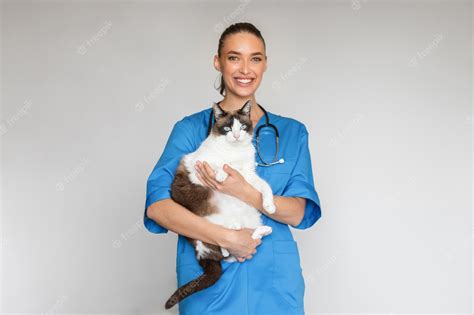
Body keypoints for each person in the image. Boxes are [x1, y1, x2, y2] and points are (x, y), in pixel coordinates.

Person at [144, 22, 322, 315]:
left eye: (255, 58)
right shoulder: (190, 129)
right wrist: (225, 238)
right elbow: (158, 208)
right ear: (218, 62)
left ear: (265, 64)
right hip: (212, 279)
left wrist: (247, 192)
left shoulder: (292, 132)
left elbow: (299, 212)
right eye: (233, 57)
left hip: (274, 281)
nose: (245, 69)